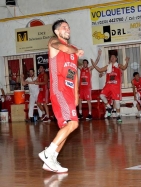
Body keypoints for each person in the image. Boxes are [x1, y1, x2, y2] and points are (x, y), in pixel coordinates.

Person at [38, 19, 84, 173]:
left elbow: (75, 74)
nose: (68, 29)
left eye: (69, 27)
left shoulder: (74, 49)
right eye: (64, 27)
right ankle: (48, 152)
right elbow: (63, 48)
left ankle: (51, 160)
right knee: (74, 124)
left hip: (69, 93)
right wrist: (74, 51)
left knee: (66, 127)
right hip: (59, 90)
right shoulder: (53, 42)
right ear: (57, 31)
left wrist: (76, 95)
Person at [91, 54, 129, 122]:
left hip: (116, 86)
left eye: (114, 57)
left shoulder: (118, 65)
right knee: (101, 95)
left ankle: (118, 115)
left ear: (116, 59)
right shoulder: (108, 66)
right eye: (111, 57)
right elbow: (100, 70)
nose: (112, 58)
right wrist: (94, 65)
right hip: (108, 85)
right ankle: (109, 107)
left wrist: (127, 62)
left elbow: (124, 67)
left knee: (117, 102)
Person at [78, 49, 101, 120]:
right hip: (81, 88)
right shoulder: (81, 68)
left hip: (87, 88)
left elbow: (96, 63)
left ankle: (90, 114)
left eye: (86, 63)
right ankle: (80, 114)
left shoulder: (89, 69)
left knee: (88, 101)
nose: (85, 64)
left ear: (87, 64)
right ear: (83, 64)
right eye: (84, 63)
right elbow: (75, 62)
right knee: (79, 101)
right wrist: (74, 54)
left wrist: (99, 55)